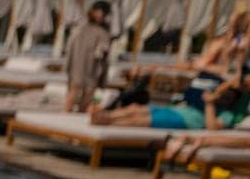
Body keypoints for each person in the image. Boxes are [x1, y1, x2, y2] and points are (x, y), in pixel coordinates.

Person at [91, 68, 248, 130]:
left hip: (184, 121)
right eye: (224, 95)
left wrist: (209, 104)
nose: (225, 98)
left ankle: (108, 122)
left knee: (141, 119)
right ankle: (106, 115)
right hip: (179, 110)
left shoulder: (227, 114)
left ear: (233, 102)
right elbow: (233, 82)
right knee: (135, 109)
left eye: (229, 98)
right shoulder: (212, 99)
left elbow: (212, 127)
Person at [64, 0, 112, 112]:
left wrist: (101, 51)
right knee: (75, 87)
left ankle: (80, 113)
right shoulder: (82, 24)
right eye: (99, 12)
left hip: (93, 64)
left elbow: (104, 46)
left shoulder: (102, 29)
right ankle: (66, 113)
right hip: (78, 61)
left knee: (89, 90)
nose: (100, 15)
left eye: (103, 14)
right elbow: (72, 44)